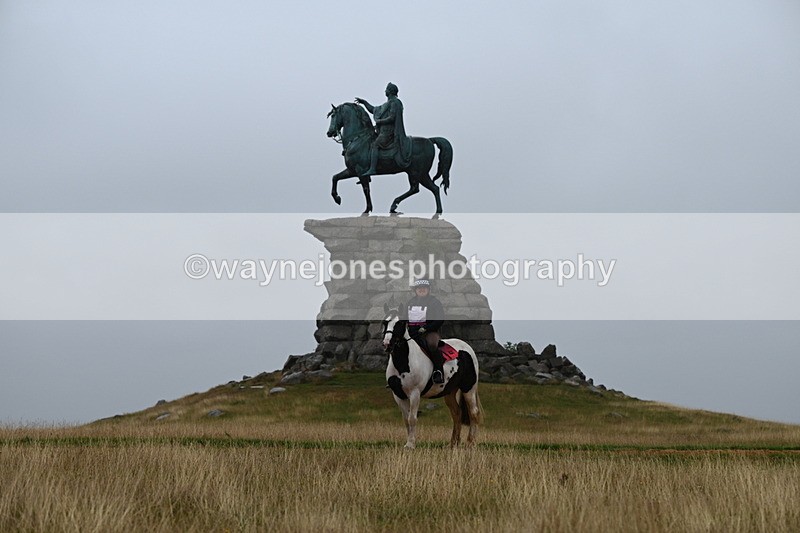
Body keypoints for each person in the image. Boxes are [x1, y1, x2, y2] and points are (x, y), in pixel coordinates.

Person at [354, 82, 413, 177]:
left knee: (375, 145)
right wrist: (364, 102)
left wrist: (380, 121)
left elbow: (392, 117)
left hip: (389, 132)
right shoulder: (387, 104)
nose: (385, 91)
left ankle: (373, 169)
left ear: (390, 91)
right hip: (382, 131)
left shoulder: (395, 102)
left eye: (386, 89)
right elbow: (374, 110)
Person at [400, 279, 446, 384]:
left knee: (432, 345)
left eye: (424, 288)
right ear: (415, 290)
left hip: (429, 332)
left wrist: (426, 328)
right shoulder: (410, 302)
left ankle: (438, 371)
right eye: (419, 288)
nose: (422, 290)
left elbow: (440, 319)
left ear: (428, 289)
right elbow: (404, 318)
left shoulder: (435, 302)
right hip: (412, 332)